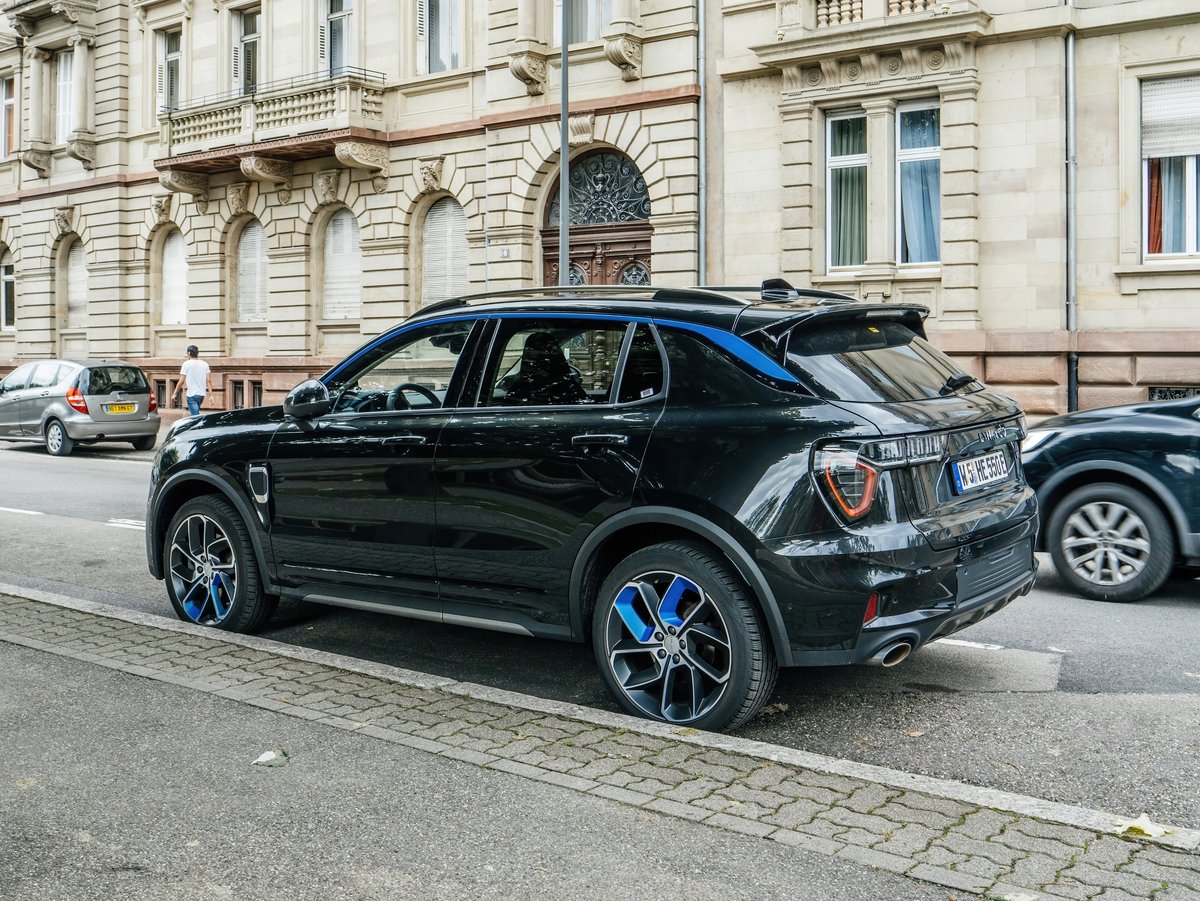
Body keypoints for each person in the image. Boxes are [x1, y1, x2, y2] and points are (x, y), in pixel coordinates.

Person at [174, 344, 211, 416]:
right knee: (195, 414)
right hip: (201, 395)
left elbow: (181, 381)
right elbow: (208, 380)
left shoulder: (186, 364)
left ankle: (198, 427)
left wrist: (175, 393)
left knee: (195, 417)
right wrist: (211, 395)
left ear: (189, 353)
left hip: (192, 395)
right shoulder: (204, 364)